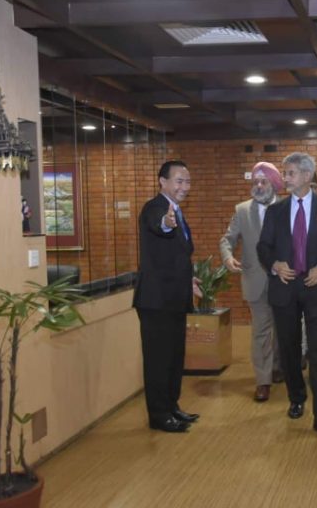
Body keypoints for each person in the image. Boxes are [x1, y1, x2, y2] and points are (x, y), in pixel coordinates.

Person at [256, 152, 317, 432]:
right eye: (285, 173)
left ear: (307, 175)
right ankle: (296, 398)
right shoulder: (275, 211)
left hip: (315, 286)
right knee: (289, 347)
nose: (285, 178)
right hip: (284, 287)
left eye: (290, 173)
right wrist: (275, 265)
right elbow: (263, 247)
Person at [133, 160, 202, 433]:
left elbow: (174, 255)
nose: (185, 186)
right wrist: (166, 222)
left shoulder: (177, 210)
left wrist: (188, 280)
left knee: (174, 358)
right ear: (162, 182)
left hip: (174, 299)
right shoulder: (156, 208)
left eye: (187, 181)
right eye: (179, 181)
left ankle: (172, 406)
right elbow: (158, 225)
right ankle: (159, 415)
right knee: (158, 361)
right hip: (155, 301)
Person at [219, 161, 285, 402]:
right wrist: (228, 258)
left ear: (274, 184)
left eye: (263, 181)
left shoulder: (287, 208)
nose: (258, 186)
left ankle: (278, 366)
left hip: (284, 280)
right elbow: (227, 240)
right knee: (260, 331)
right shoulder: (242, 210)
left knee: (282, 329)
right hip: (254, 280)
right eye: (255, 182)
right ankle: (262, 380)